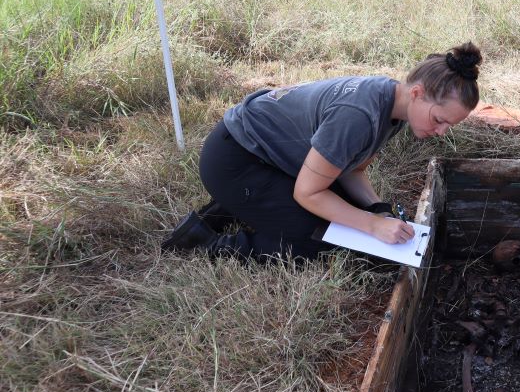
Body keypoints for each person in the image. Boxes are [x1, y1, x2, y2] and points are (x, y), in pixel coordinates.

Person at [162, 42, 483, 262]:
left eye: (448, 126)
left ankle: (238, 204)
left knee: (341, 213)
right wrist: (371, 226)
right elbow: (308, 192)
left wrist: (377, 209)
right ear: (418, 93)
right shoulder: (358, 116)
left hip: (266, 157)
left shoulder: (394, 106)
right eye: (440, 120)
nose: (440, 132)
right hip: (236, 160)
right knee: (320, 240)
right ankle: (205, 244)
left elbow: (352, 169)